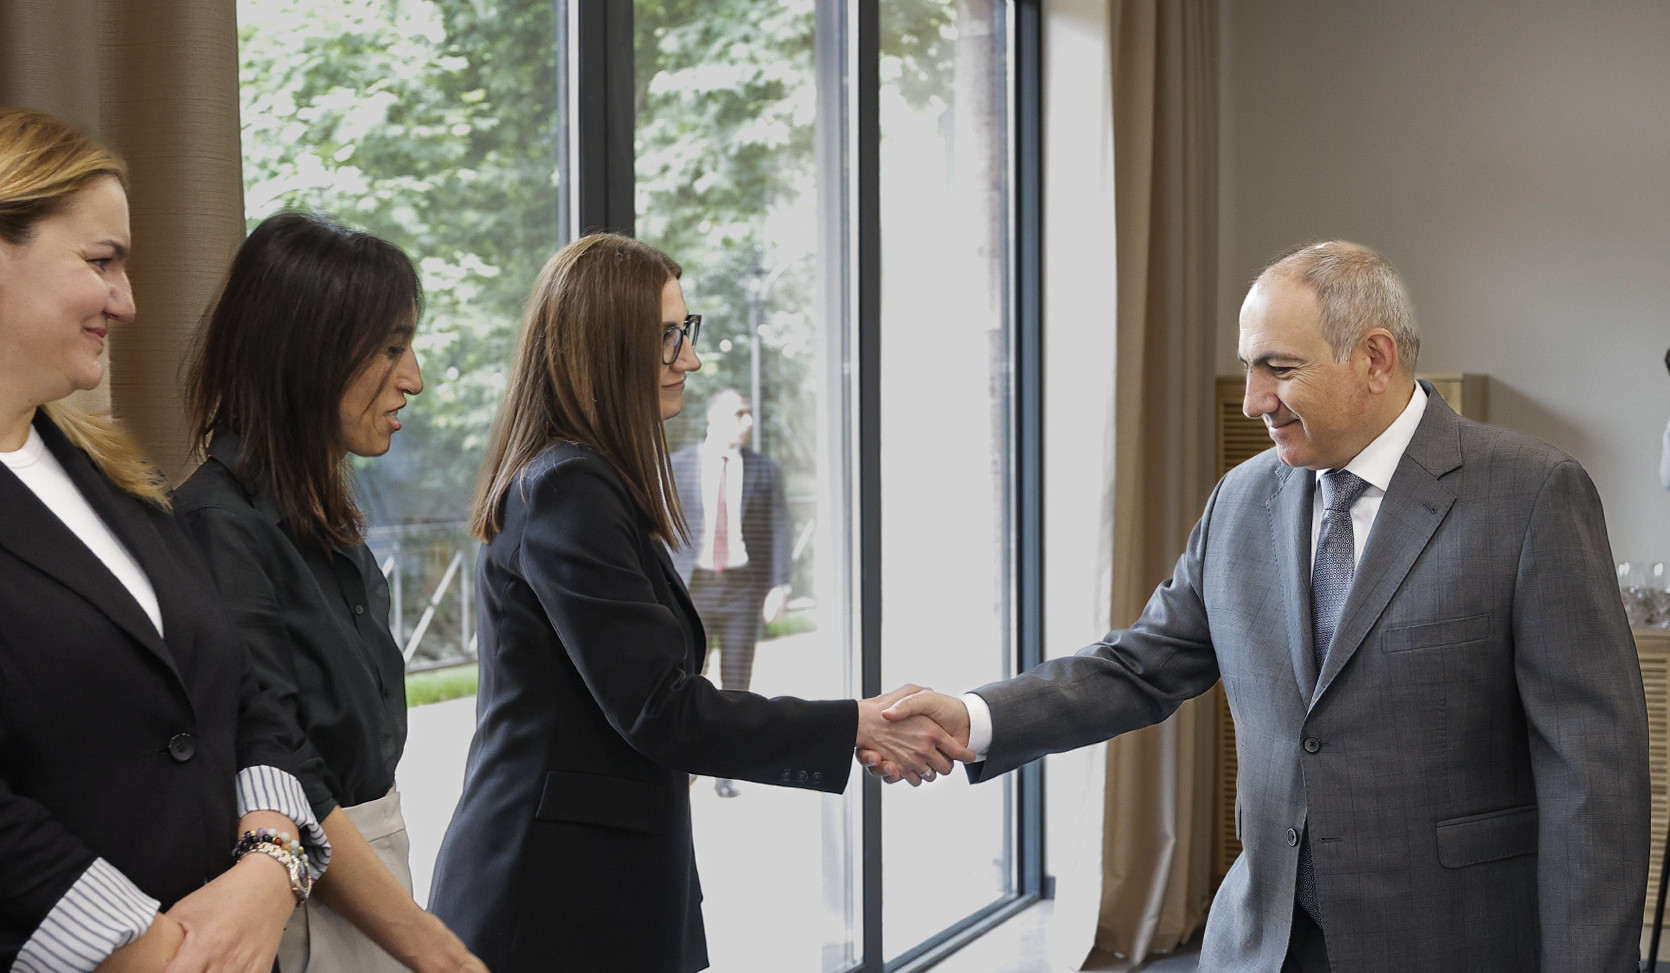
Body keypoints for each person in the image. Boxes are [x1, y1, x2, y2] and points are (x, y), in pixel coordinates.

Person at [868, 241, 1651, 972]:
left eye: (1279, 368)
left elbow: (1593, 772)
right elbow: (1139, 665)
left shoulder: (1530, 494)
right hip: (1262, 943)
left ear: (1374, 358)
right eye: (1249, 368)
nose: (1251, 401)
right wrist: (973, 717)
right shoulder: (1241, 498)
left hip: (1451, 940)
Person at [427, 232, 970, 973]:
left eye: (687, 330)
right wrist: (853, 724)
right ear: (603, 349)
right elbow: (660, 708)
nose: (691, 359)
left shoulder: (584, 481)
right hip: (552, 893)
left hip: (588, 879)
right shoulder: (568, 489)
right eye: (667, 337)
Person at [0, 107, 328, 972]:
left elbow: (243, 693)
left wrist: (271, 863)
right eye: (101, 261)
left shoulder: (115, 473)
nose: (128, 301)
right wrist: (160, 950)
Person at [173, 212, 486, 973]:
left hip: (368, 877)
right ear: (308, 352)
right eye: (391, 347)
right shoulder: (221, 525)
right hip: (309, 897)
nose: (413, 377)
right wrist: (438, 951)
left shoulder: (320, 517)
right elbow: (285, 770)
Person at [669, 388, 792, 798]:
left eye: (750, 413)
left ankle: (726, 768)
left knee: (737, 685)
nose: (749, 421)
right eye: (740, 414)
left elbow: (778, 527)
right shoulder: (678, 466)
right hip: (693, 588)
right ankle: (687, 762)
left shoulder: (764, 470)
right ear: (714, 417)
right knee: (688, 678)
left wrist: (779, 585)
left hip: (742, 588)